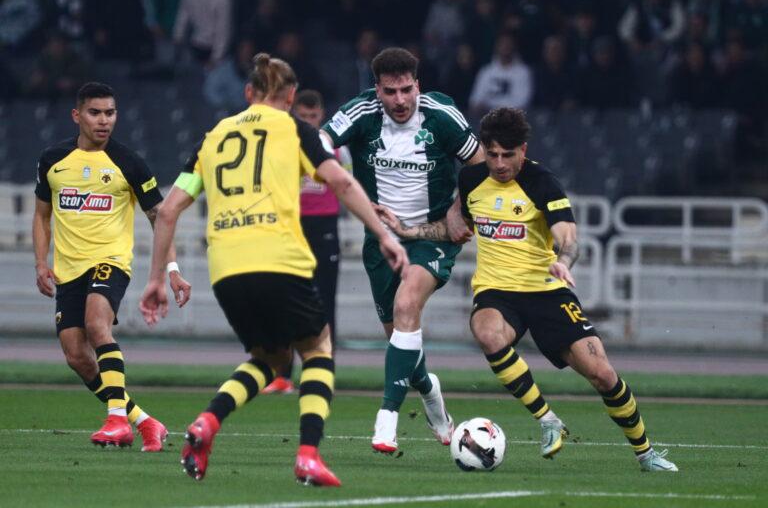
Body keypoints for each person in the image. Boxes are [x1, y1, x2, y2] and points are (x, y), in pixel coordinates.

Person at [139, 53, 408, 485]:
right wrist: (384, 234)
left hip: (226, 268)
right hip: (279, 259)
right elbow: (340, 181)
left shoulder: (214, 136)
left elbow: (168, 210)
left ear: (249, 92)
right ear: (291, 96)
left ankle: (208, 421)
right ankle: (308, 455)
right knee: (317, 349)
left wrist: (156, 278)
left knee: (270, 357)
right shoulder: (296, 129)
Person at [378, 107, 679, 472]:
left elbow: (569, 238)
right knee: (487, 332)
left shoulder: (542, 182)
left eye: (507, 155)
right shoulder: (472, 179)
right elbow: (454, 229)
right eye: (492, 154)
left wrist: (563, 263)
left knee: (601, 374)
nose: (499, 163)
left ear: (523, 149)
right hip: (496, 291)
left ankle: (646, 453)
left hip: (547, 291)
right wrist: (408, 230)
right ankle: (548, 420)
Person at [320, 47, 484, 454]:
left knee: (407, 304)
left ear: (417, 86)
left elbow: (480, 164)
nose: (400, 100)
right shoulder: (361, 112)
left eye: (407, 90)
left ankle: (386, 421)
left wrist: (458, 210)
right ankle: (430, 394)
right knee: (400, 339)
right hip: (382, 240)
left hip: (433, 235)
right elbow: (320, 140)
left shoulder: (441, 115)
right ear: (376, 90)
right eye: (390, 91)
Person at [32, 82, 191, 451]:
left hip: (110, 261)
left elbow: (160, 217)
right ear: (77, 115)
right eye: (95, 113)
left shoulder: (129, 162)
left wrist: (172, 270)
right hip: (68, 269)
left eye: (110, 113)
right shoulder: (52, 160)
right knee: (76, 356)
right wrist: (40, 262)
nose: (104, 120)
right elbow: (41, 216)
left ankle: (117, 421)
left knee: (96, 324)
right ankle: (144, 421)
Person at [262, 89, 350, 395]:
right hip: (291, 226)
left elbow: (349, 184)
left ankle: (323, 374)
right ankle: (282, 376)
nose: (310, 121)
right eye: (304, 116)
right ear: (294, 115)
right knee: (284, 300)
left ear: (322, 114)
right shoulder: (280, 145)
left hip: (325, 227)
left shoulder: (336, 148)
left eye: (314, 116)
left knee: (324, 303)